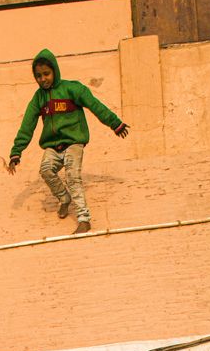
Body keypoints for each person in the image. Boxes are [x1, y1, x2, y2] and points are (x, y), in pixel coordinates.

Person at [7, 48, 129, 234]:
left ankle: (84, 219)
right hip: (52, 146)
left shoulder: (72, 89)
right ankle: (64, 198)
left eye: (46, 74)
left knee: (72, 176)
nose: (43, 79)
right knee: (46, 170)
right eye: (38, 76)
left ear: (55, 71)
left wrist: (115, 123)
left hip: (73, 143)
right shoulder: (38, 98)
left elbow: (95, 105)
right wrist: (16, 152)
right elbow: (27, 125)